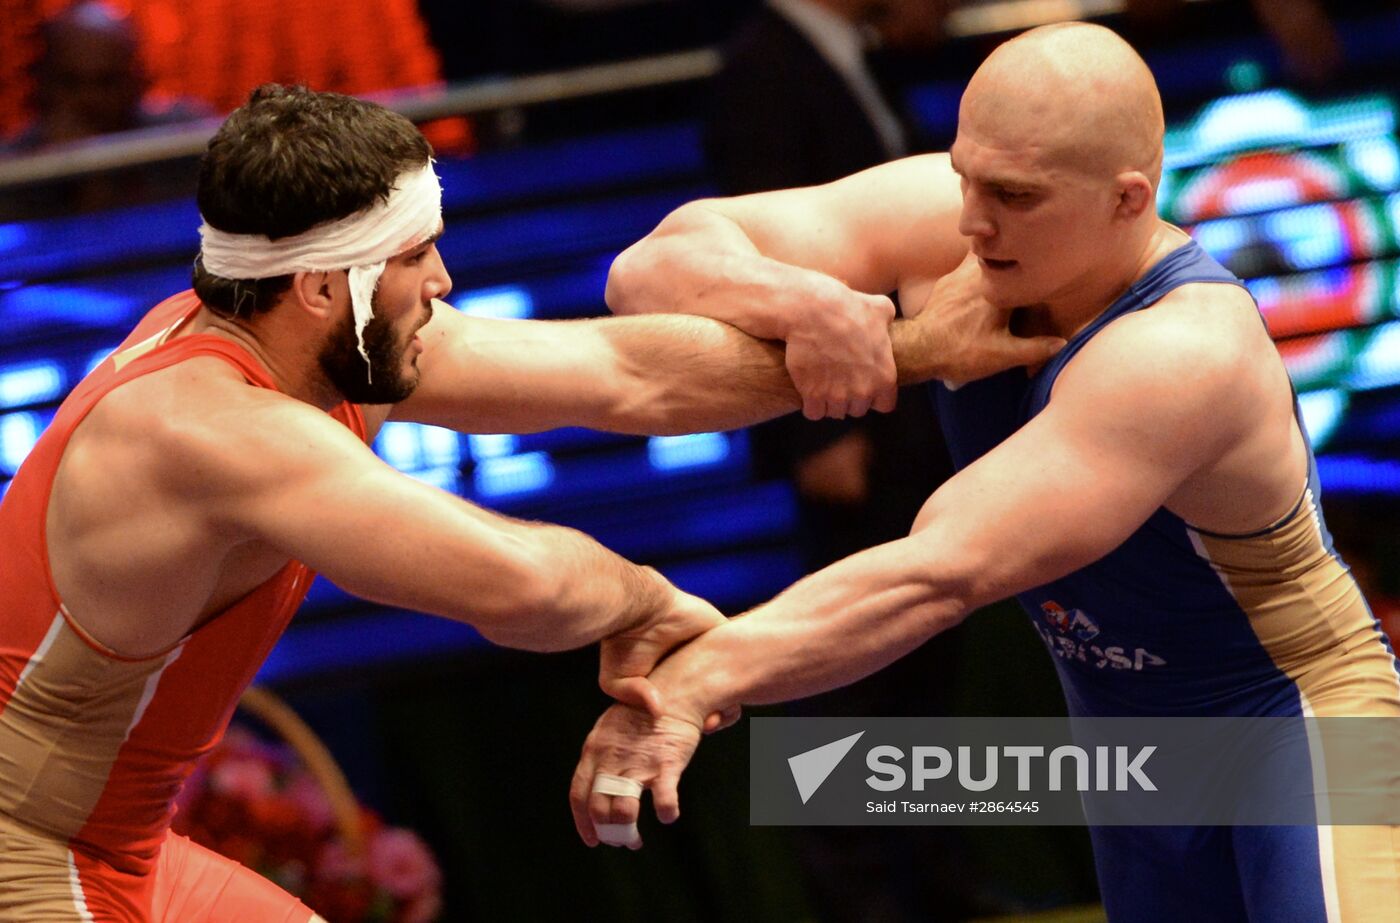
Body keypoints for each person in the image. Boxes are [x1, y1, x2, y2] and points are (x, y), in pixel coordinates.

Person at [0, 83, 1058, 921]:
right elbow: (517, 582)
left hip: (118, 839)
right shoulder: (208, 429)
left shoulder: (315, 338)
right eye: (418, 256)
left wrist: (910, 350)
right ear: (327, 285)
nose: (447, 281)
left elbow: (625, 374)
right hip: (29, 847)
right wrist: (646, 600)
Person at [574, 22, 1400, 922]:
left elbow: (938, 572)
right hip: (1128, 744)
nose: (972, 220)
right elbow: (648, 267)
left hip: (1297, 726)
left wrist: (690, 684)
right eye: (966, 176)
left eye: (1010, 195)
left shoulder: (1181, 348)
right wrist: (808, 302)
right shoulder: (961, 220)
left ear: (1129, 200)